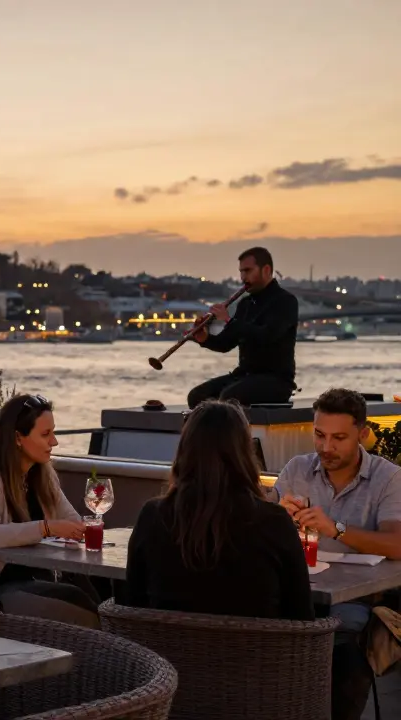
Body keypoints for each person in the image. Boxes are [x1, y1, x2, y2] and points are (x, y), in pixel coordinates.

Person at [275, 388, 401, 720]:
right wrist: (275, 515)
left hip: (360, 599)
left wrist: (337, 529)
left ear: (362, 434)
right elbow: (261, 533)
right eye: (319, 435)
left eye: (339, 438)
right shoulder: (297, 470)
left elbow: (397, 544)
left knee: (341, 639)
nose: (326, 447)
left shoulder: (388, 477)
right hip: (299, 590)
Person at [126, 400, 313, 620]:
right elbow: (302, 616)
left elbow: (131, 606)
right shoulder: (275, 522)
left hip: (167, 653)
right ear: (244, 453)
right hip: (257, 652)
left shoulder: (154, 516)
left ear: (184, 451)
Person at [0, 394, 97, 626]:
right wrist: (47, 528)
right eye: (45, 434)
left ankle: (109, 652)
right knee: (81, 604)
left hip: (32, 576)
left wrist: (80, 528)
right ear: (17, 438)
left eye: (53, 432)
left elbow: (71, 520)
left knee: (101, 592)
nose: (54, 442)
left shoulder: (41, 473)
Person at [187, 246, 300, 408]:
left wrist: (229, 320)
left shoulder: (285, 301)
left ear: (266, 270)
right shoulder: (245, 304)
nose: (243, 277)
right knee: (197, 397)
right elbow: (226, 343)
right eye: (241, 272)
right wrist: (204, 338)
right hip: (244, 376)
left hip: (276, 380)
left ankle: (233, 433)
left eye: (247, 271)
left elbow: (267, 336)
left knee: (229, 398)